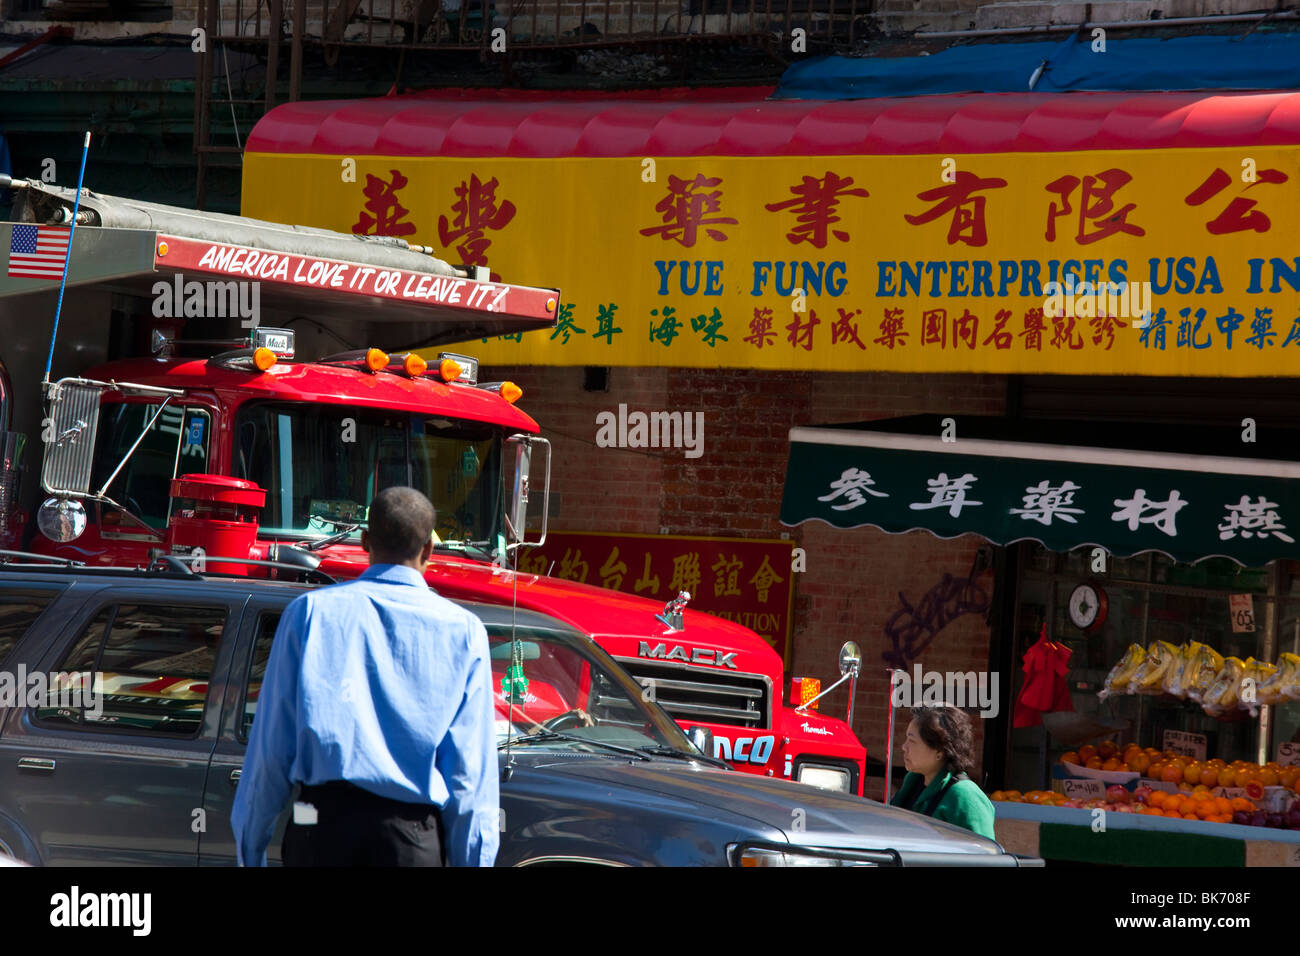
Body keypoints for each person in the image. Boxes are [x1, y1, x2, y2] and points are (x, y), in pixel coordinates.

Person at [231, 486, 499, 867]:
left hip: (319, 831)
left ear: (364, 541)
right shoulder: (465, 632)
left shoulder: (308, 615)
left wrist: (250, 851)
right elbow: (469, 778)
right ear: (429, 552)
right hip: (411, 843)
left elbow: (270, 753)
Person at [890, 704, 997, 840]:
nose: (904, 747)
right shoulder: (912, 782)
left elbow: (984, 856)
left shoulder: (966, 796)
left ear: (939, 751)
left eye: (912, 741)